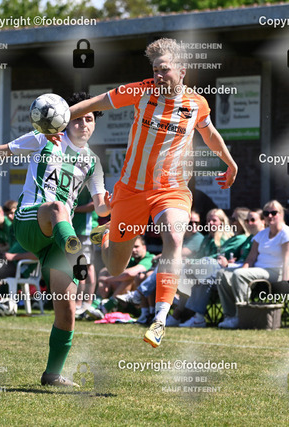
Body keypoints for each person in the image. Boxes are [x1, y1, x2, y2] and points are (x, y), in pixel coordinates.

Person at [68, 37, 237, 347]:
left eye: (165, 70)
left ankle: (159, 320)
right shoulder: (140, 91)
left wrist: (230, 162)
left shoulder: (197, 104)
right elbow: (94, 104)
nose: (159, 75)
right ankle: (105, 235)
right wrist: (57, 120)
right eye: (156, 70)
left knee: (173, 236)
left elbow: (210, 133)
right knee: (115, 267)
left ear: (182, 71)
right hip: (131, 190)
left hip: (171, 189)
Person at [0, 92, 110, 388]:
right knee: (57, 207)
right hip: (31, 220)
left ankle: (52, 374)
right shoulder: (46, 138)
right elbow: (2, 151)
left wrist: (113, 205)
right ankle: (75, 251)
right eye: (78, 119)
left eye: (89, 119)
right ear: (65, 120)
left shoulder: (93, 162)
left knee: (67, 310)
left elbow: (101, 207)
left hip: (57, 237)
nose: (83, 124)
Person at [216, 200, 289, 329]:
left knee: (239, 274)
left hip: (276, 271)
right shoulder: (261, 234)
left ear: (281, 214)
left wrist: (285, 283)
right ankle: (230, 316)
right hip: (257, 270)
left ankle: (242, 316)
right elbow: (250, 258)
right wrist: (242, 271)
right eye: (266, 213)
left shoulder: (288, 234)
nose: (270, 216)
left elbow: (287, 261)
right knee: (222, 274)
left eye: (273, 213)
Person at [72, 188, 100, 317]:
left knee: (84, 266)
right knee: (84, 266)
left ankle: (83, 304)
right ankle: (82, 304)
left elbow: (94, 204)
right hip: (76, 230)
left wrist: (72, 209)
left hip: (85, 231)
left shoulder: (90, 182)